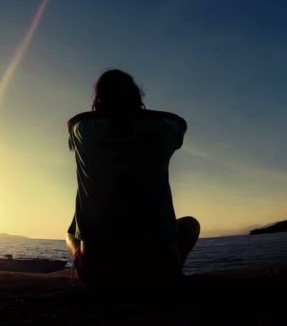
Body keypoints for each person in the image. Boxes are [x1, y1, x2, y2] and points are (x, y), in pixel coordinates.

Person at [66, 69, 200, 287]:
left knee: (71, 234)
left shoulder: (83, 130)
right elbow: (181, 124)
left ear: (99, 99)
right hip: (158, 266)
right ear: (137, 96)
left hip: (98, 272)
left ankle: (82, 265)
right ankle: (170, 276)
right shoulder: (162, 127)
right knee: (190, 225)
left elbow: (71, 124)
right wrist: (138, 113)